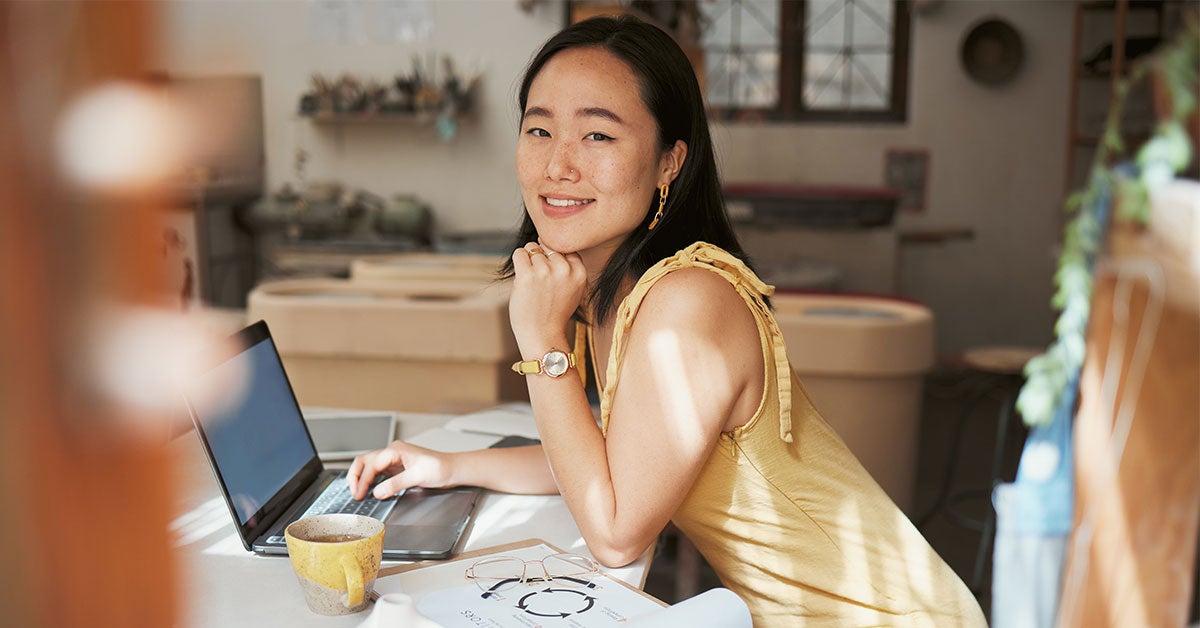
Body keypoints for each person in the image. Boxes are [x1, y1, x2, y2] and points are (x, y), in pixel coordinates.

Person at [349, 15, 986, 626]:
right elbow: (610, 461)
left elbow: (618, 533)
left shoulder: (686, 302)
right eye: (539, 130)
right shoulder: (612, 292)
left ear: (669, 163)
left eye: (598, 135)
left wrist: (541, 339)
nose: (558, 165)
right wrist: (450, 466)